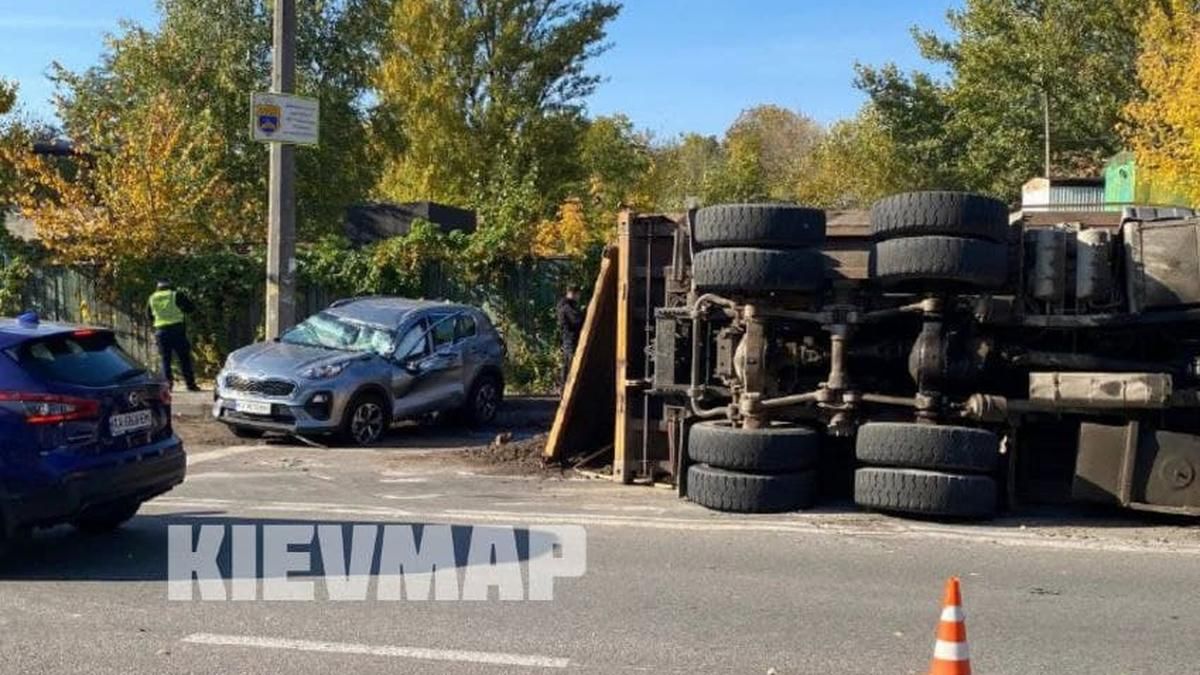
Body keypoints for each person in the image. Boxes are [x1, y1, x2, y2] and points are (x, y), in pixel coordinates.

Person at [147, 279, 200, 391]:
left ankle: (168, 386)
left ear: (158, 287)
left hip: (161, 331)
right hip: (177, 331)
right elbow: (191, 308)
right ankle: (190, 385)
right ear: (170, 286)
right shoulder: (175, 295)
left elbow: (148, 315)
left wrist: (157, 322)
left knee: (166, 360)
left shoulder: (152, 298)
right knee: (184, 358)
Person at [556, 284, 585, 388]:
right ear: (573, 293)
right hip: (570, 339)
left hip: (568, 339)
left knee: (567, 364)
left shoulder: (565, 305)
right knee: (570, 365)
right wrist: (584, 314)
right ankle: (566, 389)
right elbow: (577, 321)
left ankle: (565, 388)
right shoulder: (567, 307)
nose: (579, 297)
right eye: (578, 294)